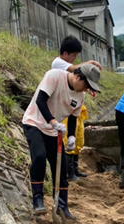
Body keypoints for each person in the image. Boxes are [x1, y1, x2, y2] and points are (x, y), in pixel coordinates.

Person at [22, 64, 101, 217]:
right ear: (77, 76)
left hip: (53, 131)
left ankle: (61, 205)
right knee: (39, 157)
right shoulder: (55, 76)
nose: (85, 89)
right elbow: (40, 100)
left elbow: (73, 116)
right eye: (86, 85)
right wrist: (53, 122)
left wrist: (71, 136)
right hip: (35, 123)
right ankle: (38, 200)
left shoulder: (80, 95)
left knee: (61, 167)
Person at [52, 35, 101, 181]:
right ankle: (69, 172)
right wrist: (89, 64)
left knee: (77, 137)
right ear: (66, 53)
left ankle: (75, 169)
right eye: (74, 55)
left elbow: (77, 81)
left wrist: (88, 89)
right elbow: (77, 71)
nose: (74, 59)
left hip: (75, 103)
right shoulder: (57, 63)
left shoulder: (67, 66)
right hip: (64, 106)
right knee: (67, 138)